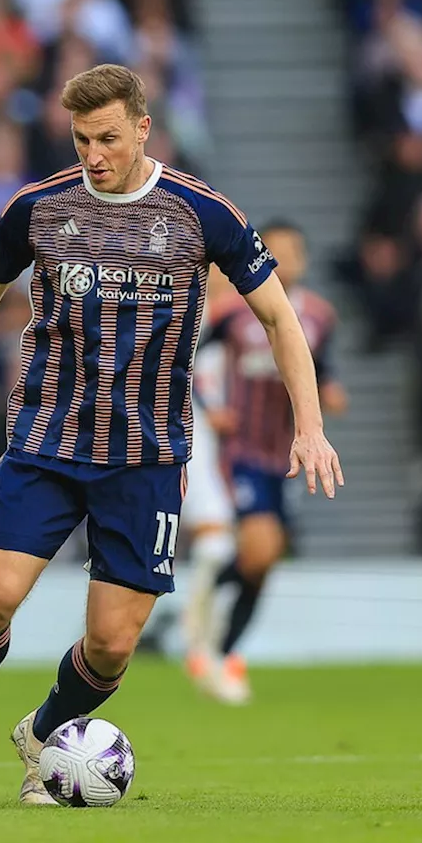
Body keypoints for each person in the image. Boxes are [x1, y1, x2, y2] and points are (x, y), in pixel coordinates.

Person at [0, 65, 343, 807]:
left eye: (110, 138)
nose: (95, 153)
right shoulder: (38, 206)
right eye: (83, 138)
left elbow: (281, 319)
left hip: (147, 458)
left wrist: (309, 427)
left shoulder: (201, 212)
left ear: (144, 128)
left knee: (112, 645)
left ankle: (44, 731)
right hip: (46, 443)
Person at [187, 220, 348, 704]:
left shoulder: (320, 316)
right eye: (273, 252)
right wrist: (211, 407)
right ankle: (218, 646)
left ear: (304, 259)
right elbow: (186, 359)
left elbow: (326, 372)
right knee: (260, 548)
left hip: (289, 452)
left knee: (265, 558)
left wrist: (330, 394)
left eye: (292, 252)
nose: (284, 261)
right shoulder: (234, 313)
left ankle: (217, 633)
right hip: (240, 451)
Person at [179, 266, 239, 687]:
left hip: (229, 444)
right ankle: (200, 641)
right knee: (217, 540)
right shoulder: (194, 315)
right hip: (191, 432)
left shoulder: (238, 322)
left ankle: (205, 640)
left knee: (225, 542)